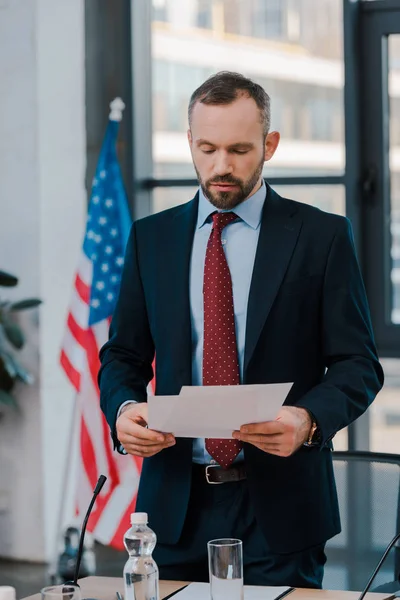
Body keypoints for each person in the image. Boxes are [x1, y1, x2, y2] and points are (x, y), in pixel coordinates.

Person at [99, 71, 384, 588]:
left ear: (269, 145)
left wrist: (308, 420)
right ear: (189, 141)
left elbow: (358, 364)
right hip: (172, 509)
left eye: (239, 150)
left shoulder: (322, 236)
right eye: (206, 149)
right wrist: (123, 410)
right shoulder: (151, 239)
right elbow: (122, 355)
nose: (221, 167)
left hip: (282, 507)